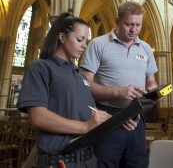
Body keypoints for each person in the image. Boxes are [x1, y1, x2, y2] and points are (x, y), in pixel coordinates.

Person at [17, 12, 113, 168]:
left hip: (88, 160)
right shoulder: (41, 68)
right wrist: (85, 127)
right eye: (80, 39)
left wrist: (118, 120)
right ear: (62, 37)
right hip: (59, 162)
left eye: (86, 41)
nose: (84, 45)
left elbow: (91, 113)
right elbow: (38, 117)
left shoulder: (80, 76)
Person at [80, 1, 158, 168]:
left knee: (137, 164)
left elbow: (151, 81)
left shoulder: (145, 48)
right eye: (128, 24)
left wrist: (151, 91)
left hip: (136, 116)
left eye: (138, 25)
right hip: (106, 115)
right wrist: (117, 92)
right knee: (105, 164)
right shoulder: (98, 44)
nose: (134, 30)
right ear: (117, 21)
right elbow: (84, 84)